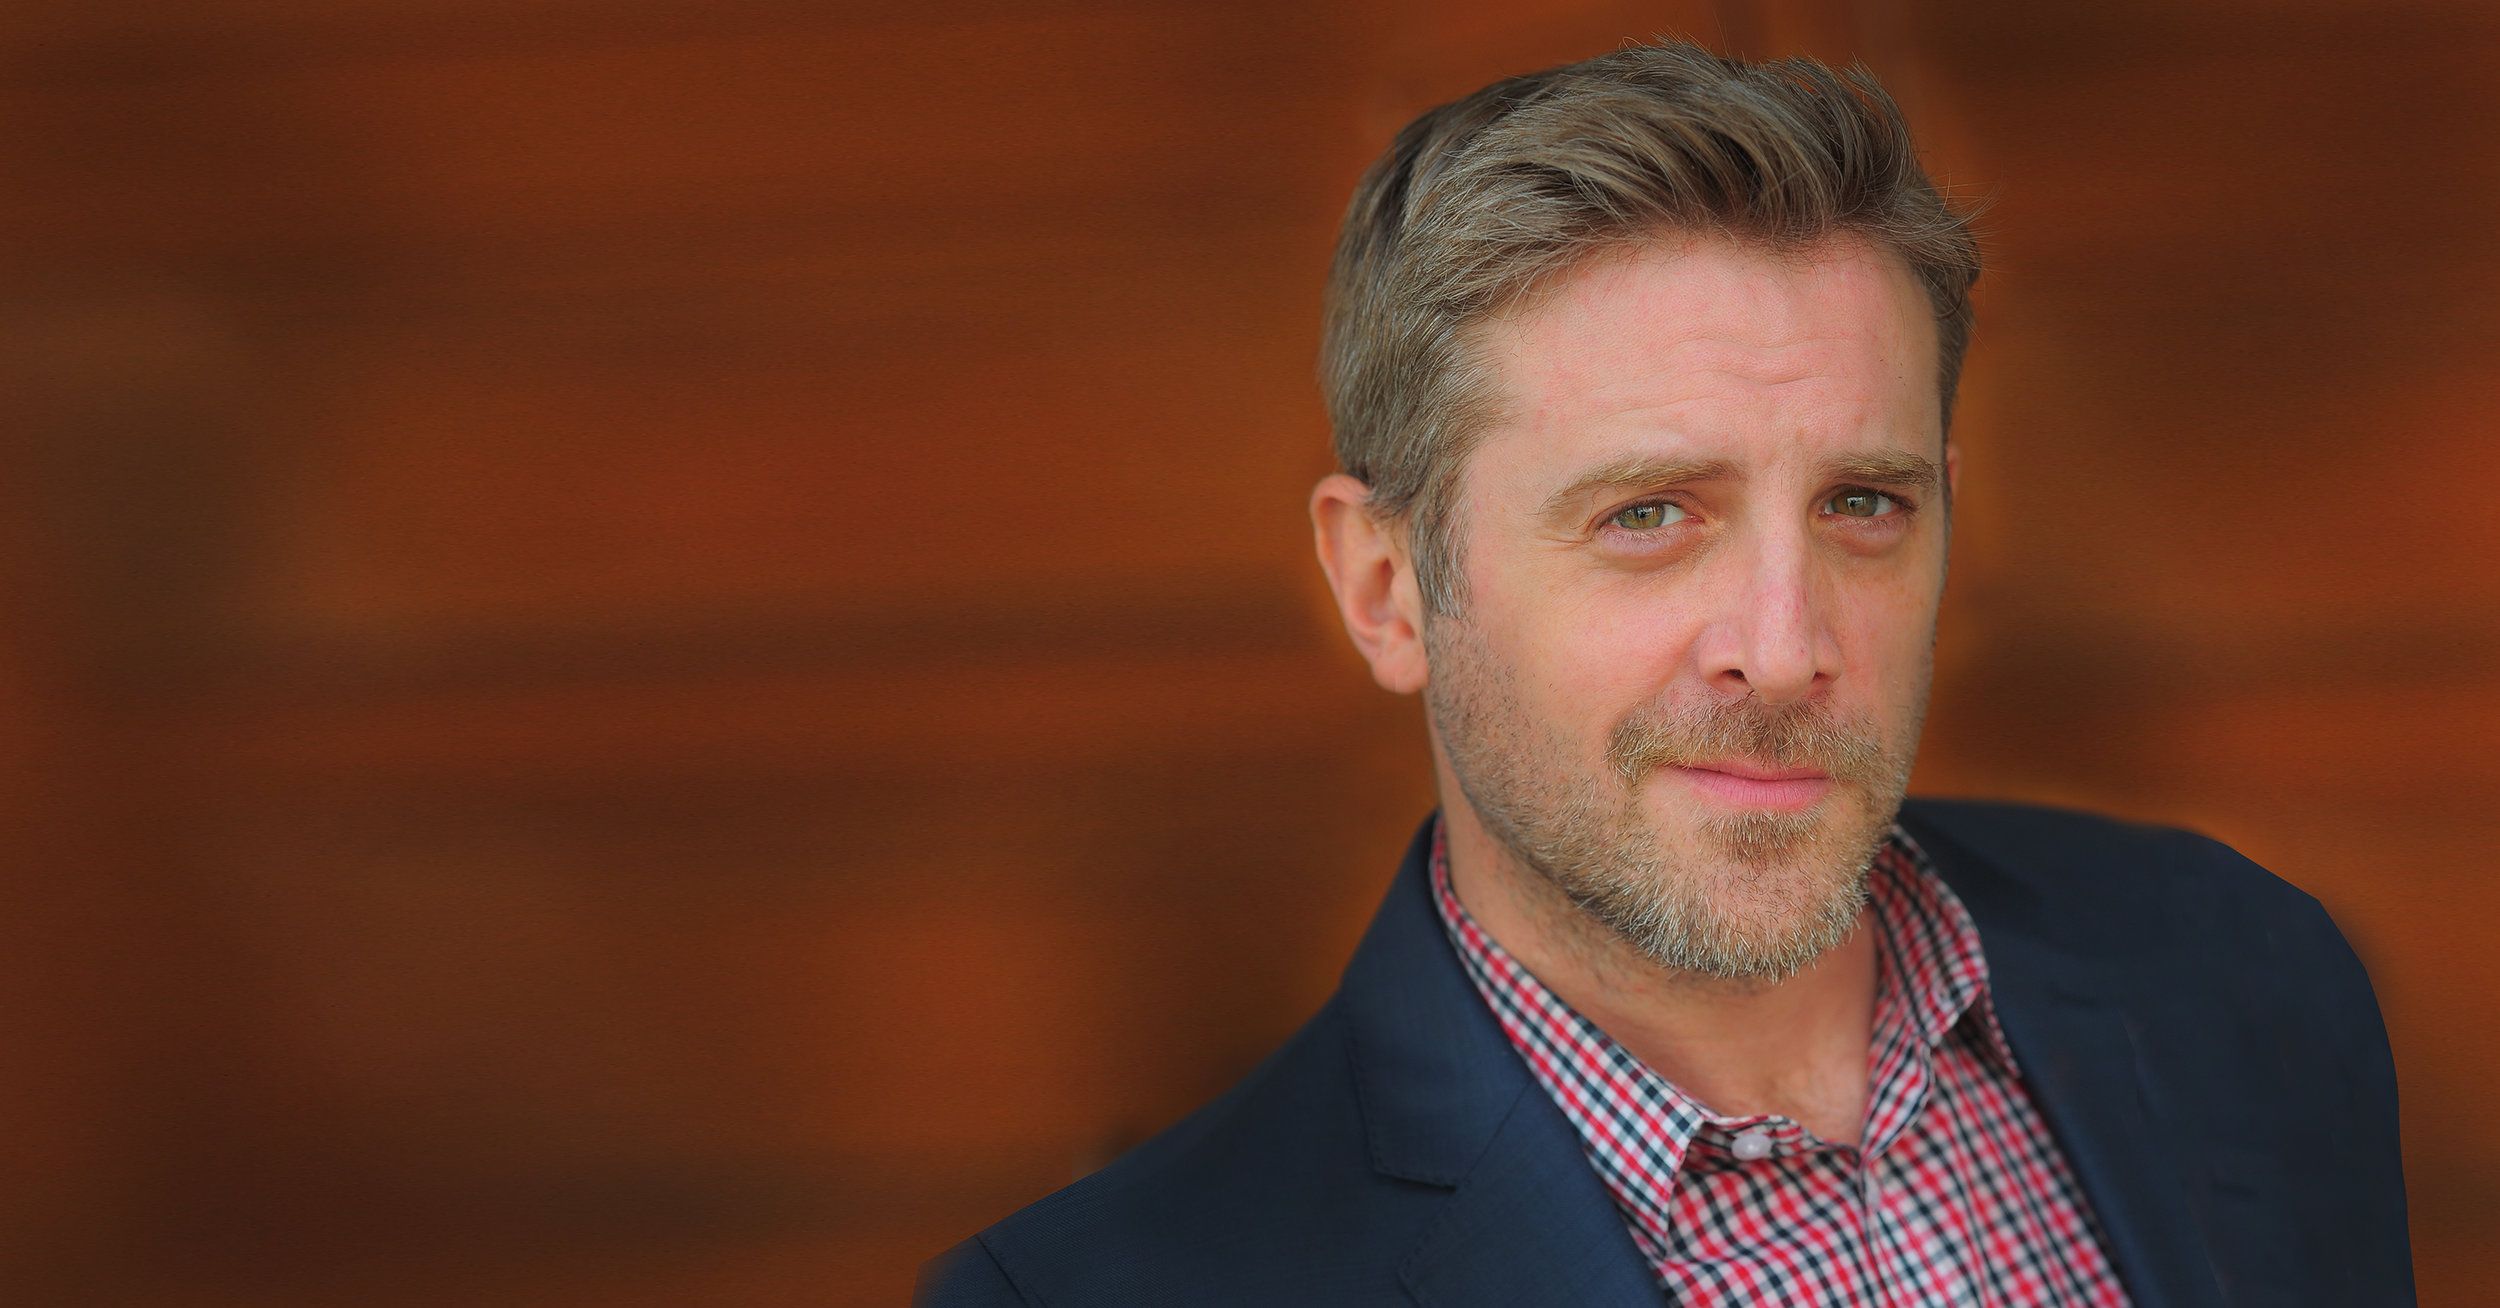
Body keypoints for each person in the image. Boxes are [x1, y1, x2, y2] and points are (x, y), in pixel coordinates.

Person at [919, 40, 2411, 1307]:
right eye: (1647, 515)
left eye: (1863, 503)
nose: (1786, 644)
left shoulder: (2247, 972)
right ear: (1386, 589)